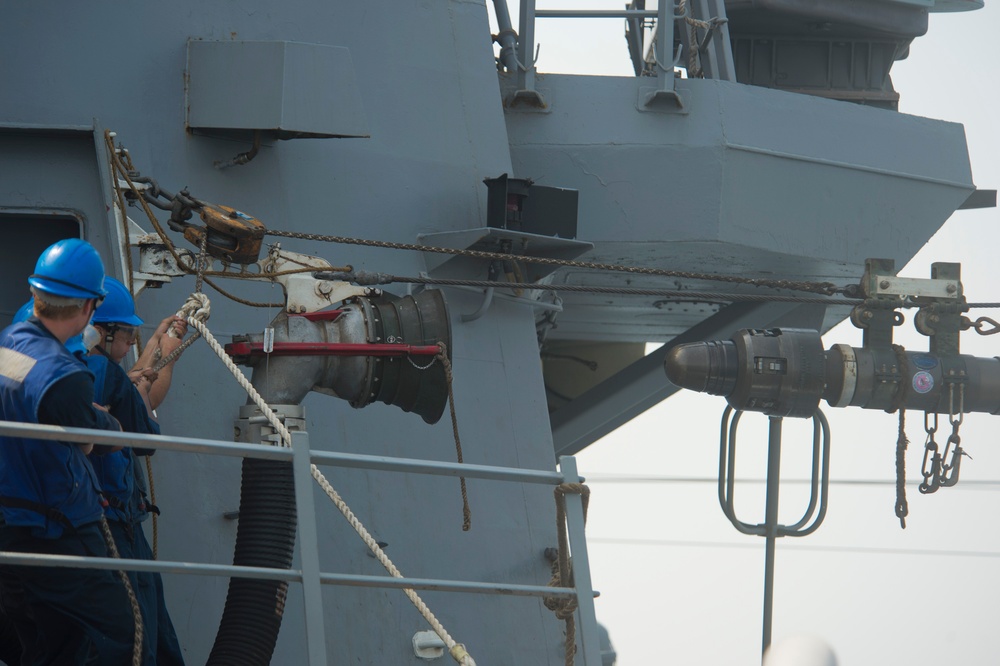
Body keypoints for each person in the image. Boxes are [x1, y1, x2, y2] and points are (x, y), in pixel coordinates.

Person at [0, 238, 137, 665]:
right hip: (58, 529)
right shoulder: (65, 376)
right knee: (122, 631)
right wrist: (107, 422)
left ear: (35, 293)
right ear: (88, 307)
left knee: (49, 641)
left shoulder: (7, 343)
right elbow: (92, 440)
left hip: (11, 522)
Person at [87, 276, 187, 666]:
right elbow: (143, 431)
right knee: (140, 641)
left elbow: (131, 391)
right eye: (128, 333)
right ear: (101, 330)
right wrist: (166, 355)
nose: (131, 343)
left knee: (152, 633)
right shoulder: (99, 373)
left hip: (118, 523)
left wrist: (155, 350)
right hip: (112, 527)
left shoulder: (82, 369)